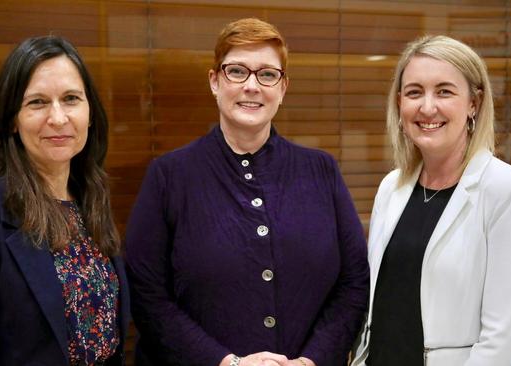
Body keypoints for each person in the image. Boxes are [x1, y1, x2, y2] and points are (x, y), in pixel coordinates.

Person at [125, 18, 369, 366]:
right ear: (215, 81)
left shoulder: (321, 170)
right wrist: (228, 363)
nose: (252, 86)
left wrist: (311, 361)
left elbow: (353, 282)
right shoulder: (169, 176)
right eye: (237, 71)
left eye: (267, 74)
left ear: (282, 88)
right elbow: (147, 294)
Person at [351, 35, 511, 366]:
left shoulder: (510, 191)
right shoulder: (392, 187)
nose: (427, 107)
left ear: (474, 103)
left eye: (444, 91)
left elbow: (501, 342)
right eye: (414, 92)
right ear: (399, 103)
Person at [0, 35, 129, 365]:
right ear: (12, 119)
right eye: (37, 102)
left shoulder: (89, 204)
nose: (57, 118)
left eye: (70, 98)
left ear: (90, 113)